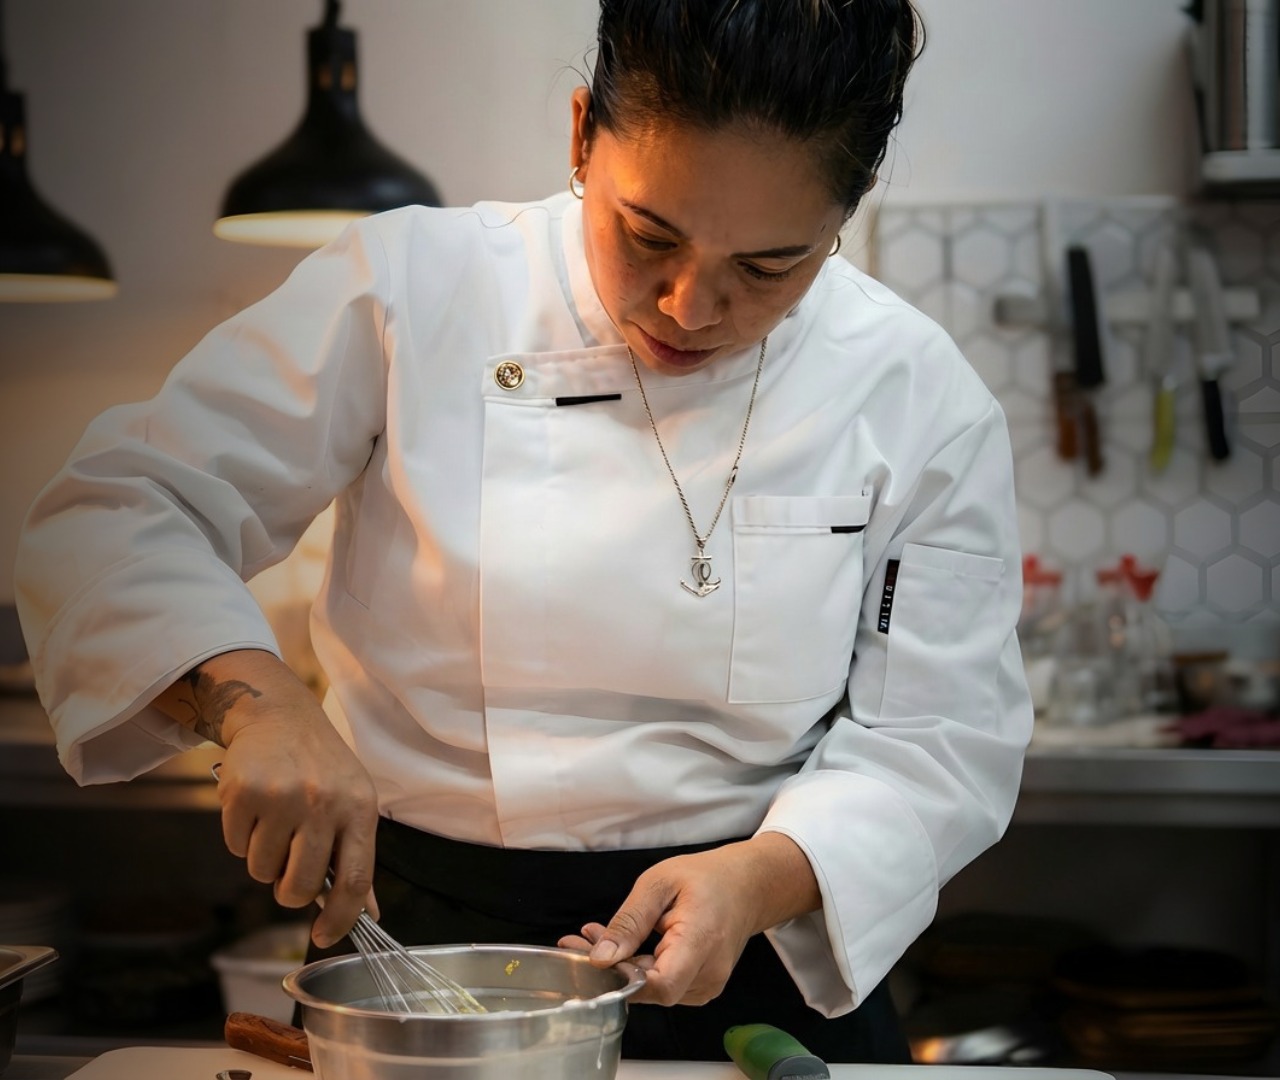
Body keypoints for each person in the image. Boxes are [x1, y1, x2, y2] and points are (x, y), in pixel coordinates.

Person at [15, 0, 1032, 1064]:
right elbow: (119, 504)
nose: (689, 305)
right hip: (422, 959)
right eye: (649, 236)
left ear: (846, 211)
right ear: (581, 133)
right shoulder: (410, 288)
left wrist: (761, 876)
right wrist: (255, 700)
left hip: (753, 963)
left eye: (768, 266)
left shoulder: (915, 393)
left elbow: (938, 738)